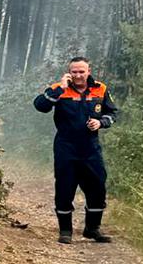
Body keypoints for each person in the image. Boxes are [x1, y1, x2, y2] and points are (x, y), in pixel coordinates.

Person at [33, 57, 118, 244]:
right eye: (74, 72)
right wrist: (59, 89)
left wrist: (101, 122)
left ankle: (92, 229)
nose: (78, 75)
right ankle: (65, 231)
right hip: (66, 146)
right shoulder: (59, 88)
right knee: (65, 188)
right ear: (69, 72)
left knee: (97, 187)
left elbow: (113, 113)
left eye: (82, 71)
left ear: (88, 71)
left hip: (91, 147)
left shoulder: (100, 88)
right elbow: (40, 106)